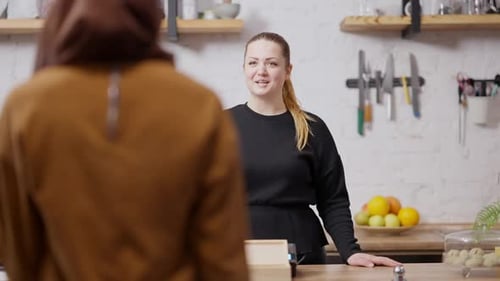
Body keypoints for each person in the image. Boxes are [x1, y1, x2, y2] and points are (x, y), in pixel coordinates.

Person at [0, 0, 250, 280]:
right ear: (150, 10)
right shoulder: (199, 105)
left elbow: (18, 256)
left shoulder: (25, 107)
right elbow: (224, 261)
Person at [228, 32, 400, 267]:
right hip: (234, 253)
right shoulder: (221, 125)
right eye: (253, 62)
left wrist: (350, 251)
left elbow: (333, 200)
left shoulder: (312, 128)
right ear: (244, 68)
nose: (261, 71)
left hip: (303, 256)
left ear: (288, 70)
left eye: (272, 63)